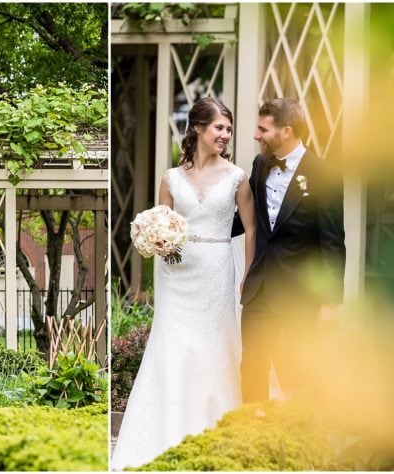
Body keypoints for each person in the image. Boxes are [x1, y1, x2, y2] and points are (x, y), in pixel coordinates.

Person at [111, 97, 257, 470]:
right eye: (219, 127)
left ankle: (218, 434)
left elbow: (252, 230)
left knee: (215, 348)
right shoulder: (171, 178)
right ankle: (168, 431)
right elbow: (161, 221)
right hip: (176, 275)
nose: (225, 134)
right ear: (197, 128)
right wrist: (157, 240)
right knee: (173, 347)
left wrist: (248, 273)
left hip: (216, 270)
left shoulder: (238, 177)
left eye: (228, 128)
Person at [237, 98, 345, 402]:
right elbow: (248, 219)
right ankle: (251, 433)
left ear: (286, 131)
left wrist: (330, 302)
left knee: (294, 373)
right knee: (253, 365)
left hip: (298, 295)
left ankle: (300, 440)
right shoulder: (260, 165)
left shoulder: (325, 175)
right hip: (258, 288)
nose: (257, 136)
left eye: (263, 129)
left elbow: (333, 243)